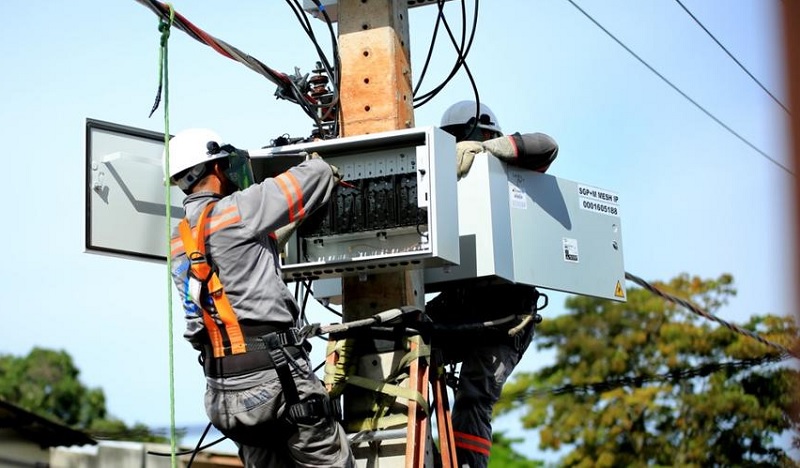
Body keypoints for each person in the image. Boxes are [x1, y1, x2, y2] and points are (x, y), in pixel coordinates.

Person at [166, 128, 354, 468]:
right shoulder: (240, 209)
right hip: (276, 379)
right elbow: (319, 174)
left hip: (224, 394)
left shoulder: (177, 243)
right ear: (218, 168)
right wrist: (313, 153)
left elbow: (198, 325)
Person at [427, 101, 558, 468]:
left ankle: (467, 464)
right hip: (460, 303)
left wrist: (486, 153)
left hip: (505, 314)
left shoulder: (515, 172)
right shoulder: (443, 176)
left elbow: (545, 144)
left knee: (475, 389)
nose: (461, 145)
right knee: (406, 348)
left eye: (467, 138)